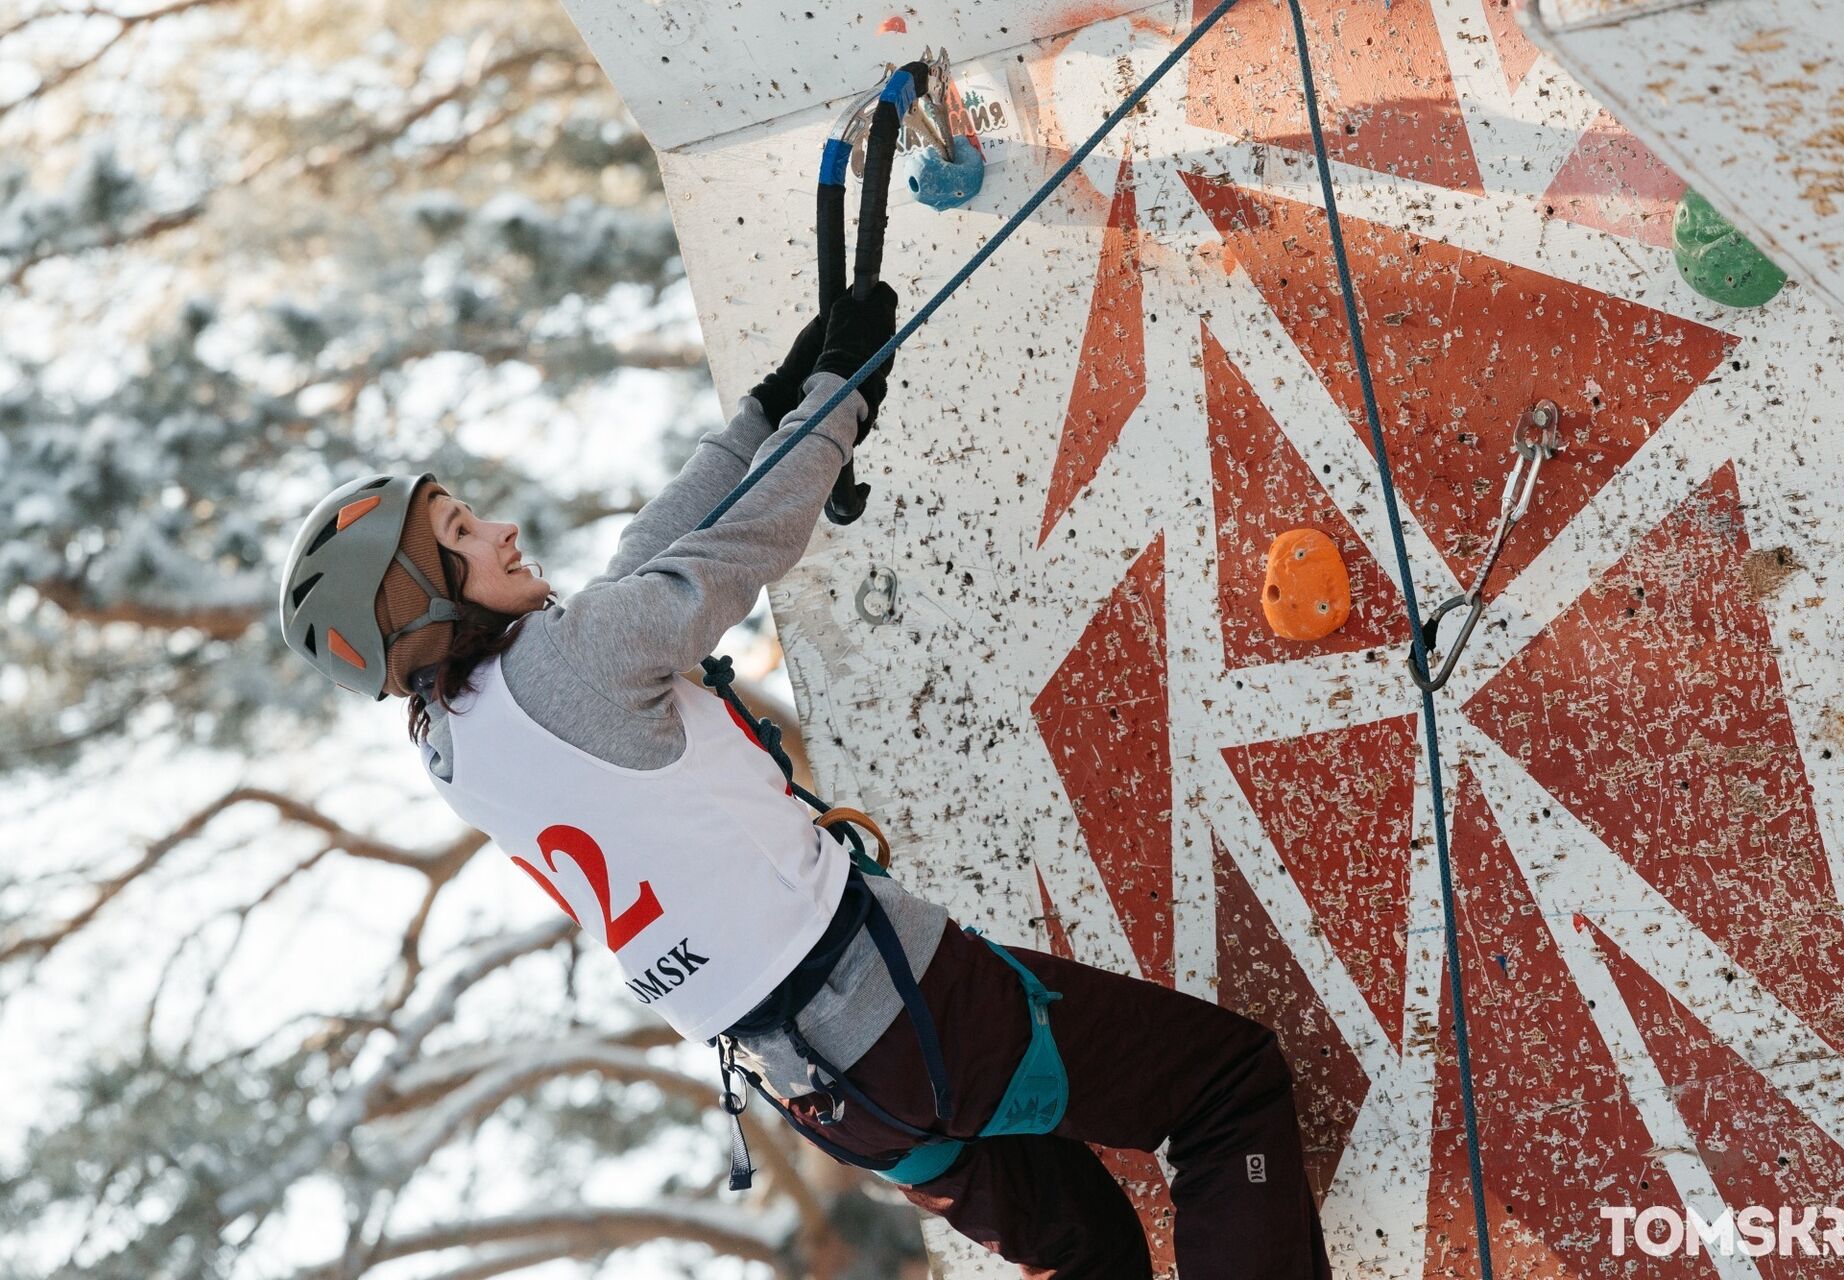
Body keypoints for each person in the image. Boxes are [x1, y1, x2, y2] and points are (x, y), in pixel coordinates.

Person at [278, 284, 1332, 1279]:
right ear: (419, 602)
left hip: (830, 1094)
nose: (500, 527)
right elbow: (737, 546)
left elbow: (644, 566)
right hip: (910, 1011)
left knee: (1094, 1248)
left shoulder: (461, 745)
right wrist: (838, 398)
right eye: (462, 532)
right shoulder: (566, 664)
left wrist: (771, 407)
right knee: (1222, 1086)